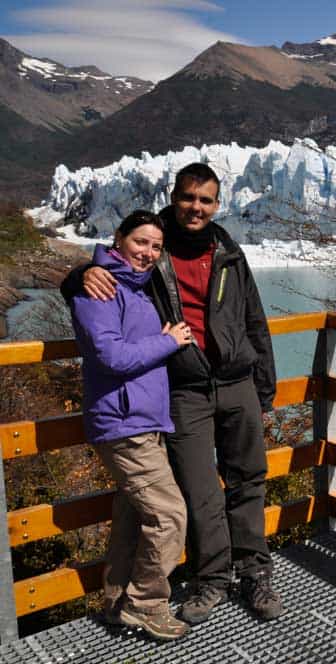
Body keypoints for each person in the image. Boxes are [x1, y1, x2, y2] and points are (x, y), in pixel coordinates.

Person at [62, 164, 282, 624]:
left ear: (217, 204)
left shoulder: (229, 250)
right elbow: (116, 266)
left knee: (248, 481)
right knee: (200, 492)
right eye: (188, 197)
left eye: (206, 200)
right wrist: (78, 274)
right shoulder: (154, 246)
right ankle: (212, 579)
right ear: (174, 196)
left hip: (237, 382)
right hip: (184, 390)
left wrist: (263, 386)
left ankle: (255, 572)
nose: (196, 207)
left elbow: (254, 319)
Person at [70, 210, 193, 640]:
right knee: (170, 516)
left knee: (133, 518)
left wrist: (157, 338)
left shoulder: (133, 288)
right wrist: (168, 341)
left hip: (141, 420)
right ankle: (146, 605)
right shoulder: (101, 289)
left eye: (156, 247)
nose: (148, 253)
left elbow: (130, 347)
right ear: (119, 238)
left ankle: (117, 604)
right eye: (141, 242)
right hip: (124, 424)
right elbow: (112, 357)